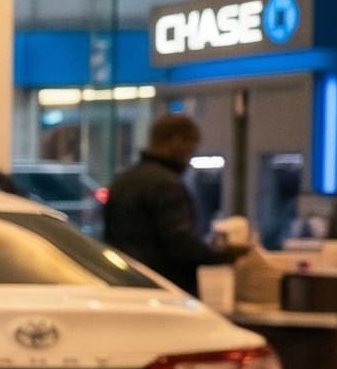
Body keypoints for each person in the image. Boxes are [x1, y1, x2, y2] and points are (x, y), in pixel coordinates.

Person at [104, 112, 248, 290]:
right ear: (177, 141)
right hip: (165, 286)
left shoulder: (122, 180)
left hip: (126, 281)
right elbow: (181, 245)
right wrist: (225, 255)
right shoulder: (167, 184)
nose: (190, 156)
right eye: (191, 148)